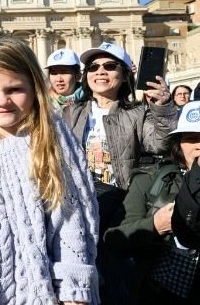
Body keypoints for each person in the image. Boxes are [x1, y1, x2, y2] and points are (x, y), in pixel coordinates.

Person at [0, 38, 99, 305]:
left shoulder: (55, 137)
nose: (3, 101)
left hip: (52, 297)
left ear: (35, 88)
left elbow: (72, 222)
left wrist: (74, 295)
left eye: (14, 89)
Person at [62, 41, 177, 303]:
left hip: (119, 201)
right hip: (77, 202)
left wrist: (163, 106)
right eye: (93, 67)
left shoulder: (137, 113)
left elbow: (159, 143)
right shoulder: (71, 112)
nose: (100, 71)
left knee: (113, 273)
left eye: (109, 65)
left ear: (125, 74)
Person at [103, 101, 200, 302]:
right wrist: (156, 225)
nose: (199, 145)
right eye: (192, 138)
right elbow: (114, 239)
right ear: (178, 144)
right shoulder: (149, 181)